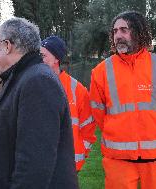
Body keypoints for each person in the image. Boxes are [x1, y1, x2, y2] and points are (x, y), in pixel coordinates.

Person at [0, 17, 79, 189]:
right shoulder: (24, 77)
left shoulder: (37, 81)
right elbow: (13, 144)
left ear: (7, 46)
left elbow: (33, 166)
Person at [89, 11, 156, 189]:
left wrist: (153, 128)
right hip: (118, 158)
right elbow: (98, 112)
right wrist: (119, 131)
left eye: (124, 30)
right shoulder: (100, 71)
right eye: (115, 31)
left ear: (138, 32)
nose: (118, 36)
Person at [41, 35, 96, 172]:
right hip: (38, 165)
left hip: (69, 167)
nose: (39, 59)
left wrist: (81, 153)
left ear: (56, 59)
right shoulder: (33, 85)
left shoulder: (77, 89)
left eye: (43, 55)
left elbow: (88, 126)